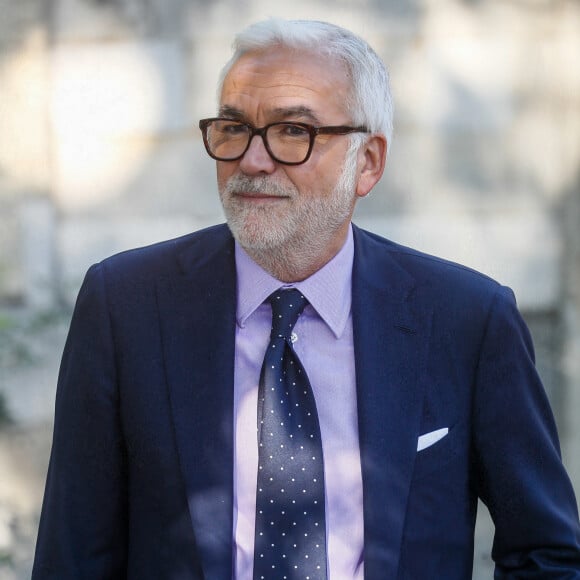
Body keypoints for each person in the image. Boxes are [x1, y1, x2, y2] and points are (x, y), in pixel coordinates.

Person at [32, 18, 580, 580]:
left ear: (366, 162)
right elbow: (73, 556)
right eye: (233, 127)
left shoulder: (467, 318)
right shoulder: (126, 305)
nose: (252, 160)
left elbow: (547, 553)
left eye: (294, 131)